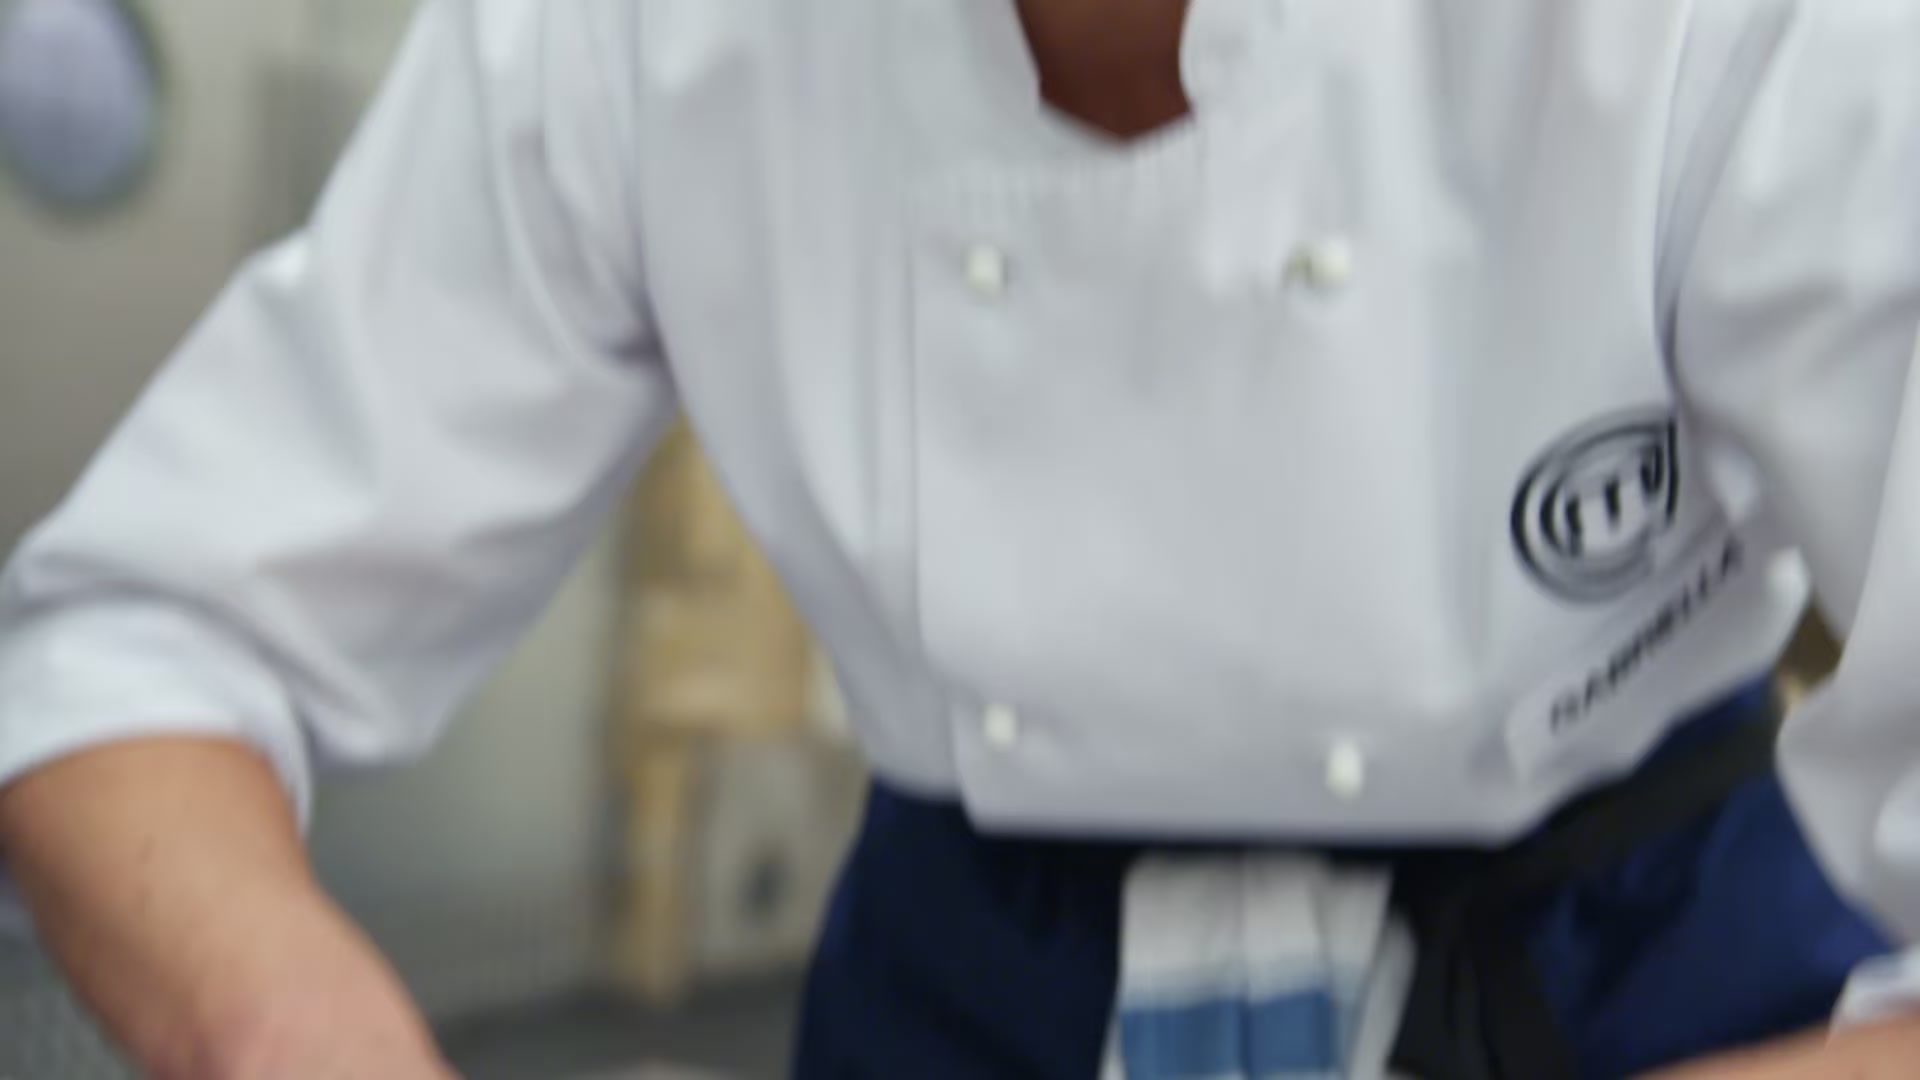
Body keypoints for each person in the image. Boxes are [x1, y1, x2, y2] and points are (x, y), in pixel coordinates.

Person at [3, 0, 1920, 1075]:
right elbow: (133, 648)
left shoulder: (1741, 34)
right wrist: (301, 1038)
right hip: (984, 999)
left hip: (1631, 978)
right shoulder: (637, 35)